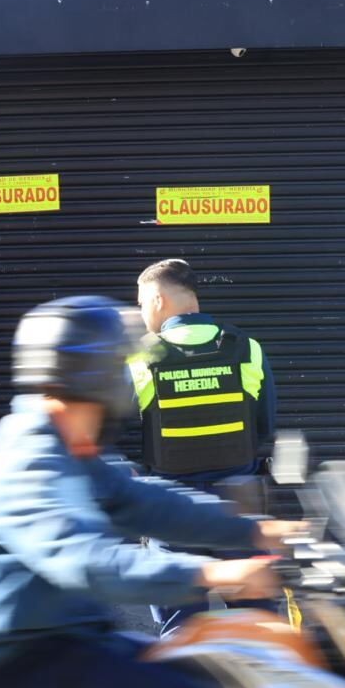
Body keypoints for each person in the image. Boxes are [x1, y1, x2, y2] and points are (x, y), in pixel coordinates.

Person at [0, 296, 298, 688]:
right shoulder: (31, 459)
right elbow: (86, 561)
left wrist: (258, 532)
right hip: (13, 668)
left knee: (215, 675)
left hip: (60, 645)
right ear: (97, 376)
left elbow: (142, 501)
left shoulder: (63, 443)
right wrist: (215, 577)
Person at [129, 259, 278, 634]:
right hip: (239, 508)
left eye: (141, 303)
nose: (140, 312)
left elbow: (124, 430)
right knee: (262, 627)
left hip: (171, 509)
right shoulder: (246, 347)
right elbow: (264, 426)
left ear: (158, 299)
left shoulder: (142, 358)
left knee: (181, 633)